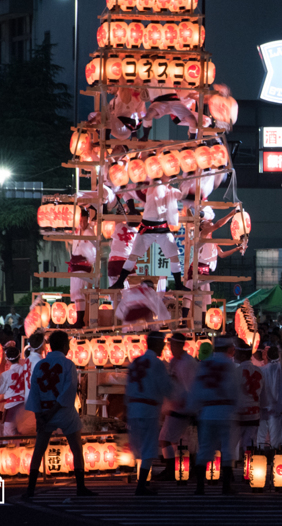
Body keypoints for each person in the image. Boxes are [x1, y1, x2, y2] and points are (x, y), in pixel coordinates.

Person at [23, 330, 96, 498]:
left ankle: (30, 489)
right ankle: (80, 487)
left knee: (39, 450)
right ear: (64, 345)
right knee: (76, 449)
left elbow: (34, 391)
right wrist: (53, 411)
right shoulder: (68, 364)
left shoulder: (40, 365)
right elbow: (68, 391)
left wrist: (39, 416)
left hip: (44, 411)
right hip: (63, 411)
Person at [187, 335, 238, 495]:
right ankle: (225, 486)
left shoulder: (205, 364)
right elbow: (235, 390)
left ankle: (200, 486)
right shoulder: (230, 366)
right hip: (225, 411)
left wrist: (193, 408)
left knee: (205, 449)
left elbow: (196, 388)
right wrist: (238, 408)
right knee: (227, 448)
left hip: (207, 412)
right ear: (230, 349)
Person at [111, 184, 186, 291]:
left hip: (162, 227)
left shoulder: (170, 190)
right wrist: (131, 208)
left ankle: (178, 284)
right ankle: (120, 282)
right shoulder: (147, 188)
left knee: (174, 256)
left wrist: (184, 191)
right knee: (133, 256)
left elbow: (180, 196)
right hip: (147, 227)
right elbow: (128, 189)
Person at [127, 331, 174, 495]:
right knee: (148, 447)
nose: (163, 347)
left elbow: (128, 388)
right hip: (148, 409)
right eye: (162, 344)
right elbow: (167, 388)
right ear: (157, 344)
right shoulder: (157, 364)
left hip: (134, 409)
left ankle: (141, 482)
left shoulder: (135, 362)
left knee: (140, 447)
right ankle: (141, 485)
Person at [156, 332, 198, 480]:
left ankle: (170, 468)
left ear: (181, 345)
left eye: (173, 345)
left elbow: (192, 387)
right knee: (176, 439)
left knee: (166, 438)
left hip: (182, 406)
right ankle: (187, 467)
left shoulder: (188, 363)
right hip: (175, 406)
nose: (171, 348)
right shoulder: (175, 361)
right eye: (170, 345)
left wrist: (190, 406)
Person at [0, 345, 36, 436]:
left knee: (9, 438)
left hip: (11, 408)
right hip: (25, 407)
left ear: (7, 359)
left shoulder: (5, 375)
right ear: (19, 357)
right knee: (28, 436)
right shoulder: (27, 371)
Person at [234, 336, 264, 464]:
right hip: (254, 412)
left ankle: (229, 472)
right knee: (249, 443)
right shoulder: (259, 371)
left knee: (232, 443)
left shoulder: (236, 372)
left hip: (238, 413)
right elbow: (263, 395)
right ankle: (249, 471)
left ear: (240, 355)